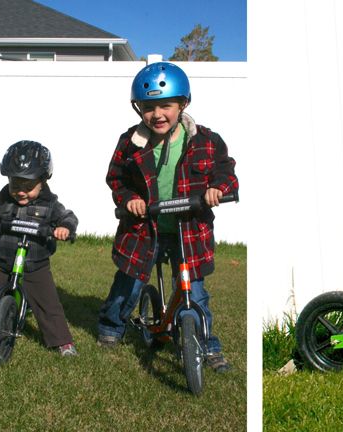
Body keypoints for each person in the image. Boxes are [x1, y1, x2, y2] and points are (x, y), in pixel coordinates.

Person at [98, 62, 239, 373]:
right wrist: (130, 199)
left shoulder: (205, 141)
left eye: (166, 106)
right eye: (148, 107)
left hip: (188, 230)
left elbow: (226, 170)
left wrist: (218, 188)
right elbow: (116, 178)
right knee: (129, 282)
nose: (157, 114)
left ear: (182, 104)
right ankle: (111, 325)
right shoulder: (130, 142)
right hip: (144, 228)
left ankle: (206, 344)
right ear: (138, 108)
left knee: (194, 292)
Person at [0, 140, 79, 357]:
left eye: (28, 187)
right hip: (4, 261)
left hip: (35, 263)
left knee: (47, 304)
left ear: (43, 181)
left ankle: (62, 342)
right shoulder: (6, 199)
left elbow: (68, 216)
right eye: (15, 185)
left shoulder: (50, 205)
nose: (20, 192)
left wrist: (64, 228)